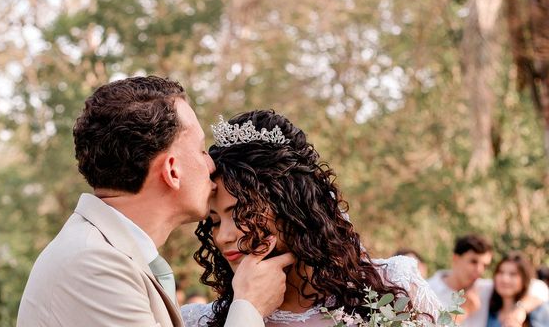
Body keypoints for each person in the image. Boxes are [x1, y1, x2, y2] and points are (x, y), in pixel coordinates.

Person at [17, 77, 294, 327]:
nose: (211, 164)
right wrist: (249, 306)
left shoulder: (111, 253)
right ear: (172, 170)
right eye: (200, 150)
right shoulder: (94, 264)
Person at [181, 110, 441, 327]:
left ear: (291, 207)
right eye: (214, 221)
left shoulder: (395, 288)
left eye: (240, 214)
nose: (223, 236)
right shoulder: (199, 322)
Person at [428, 234, 494, 327]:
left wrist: (519, 308)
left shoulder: (486, 288)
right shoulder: (427, 291)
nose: (480, 270)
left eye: (485, 265)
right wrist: (464, 310)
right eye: (473, 261)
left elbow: (519, 286)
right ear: (455, 258)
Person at [487, 252, 549, 327]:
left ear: (524, 279)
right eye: (500, 272)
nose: (505, 279)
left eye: (513, 274)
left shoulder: (539, 312)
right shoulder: (487, 312)